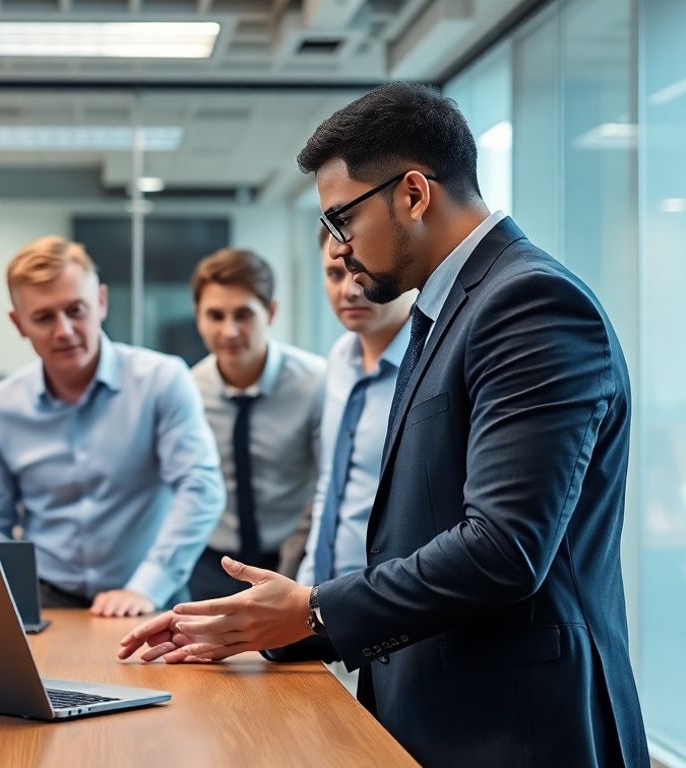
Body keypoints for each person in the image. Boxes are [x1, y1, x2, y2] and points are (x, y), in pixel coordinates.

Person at [118, 83, 650, 768]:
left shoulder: (529, 302)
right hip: (443, 708)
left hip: (523, 724)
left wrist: (313, 610)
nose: (338, 248)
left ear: (413, 194)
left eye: (342, 219)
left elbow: (503, 548)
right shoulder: (448, 310)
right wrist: (259, 624)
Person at [0, 236, 224, 618]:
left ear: (101, 301)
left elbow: (201, 488)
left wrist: (145, 587)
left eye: (76, 310)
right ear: (18, 324)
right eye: (43, 317)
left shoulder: (162, 380)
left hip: (152, 599)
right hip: (46, 603)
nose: (64, 331)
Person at [257, 229, 414, 688]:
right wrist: (305, 588)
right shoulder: (339, 361)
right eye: (333, 273)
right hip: (320, 610)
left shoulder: (427, 368)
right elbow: (332, 483)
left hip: (388, 616)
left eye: (361, 270)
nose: (348, 289)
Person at [185, 248, 325, 600]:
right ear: (197, 317)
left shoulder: (316, 383)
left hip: (291, 562)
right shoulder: (187, 390)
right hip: (210, 565)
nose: (229, 331)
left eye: (243, 315)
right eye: (215, 316)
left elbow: (329, 482)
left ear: (271, 312)